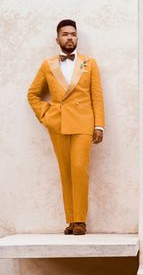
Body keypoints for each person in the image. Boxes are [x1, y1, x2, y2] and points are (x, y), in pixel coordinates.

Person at [27, 19, 105, 236]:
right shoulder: (47, 65)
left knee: (79, 169)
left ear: (77, 38)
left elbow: (97, 97)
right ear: (57, 39)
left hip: (83, 122)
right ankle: (70, 220)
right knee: (65, 171)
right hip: (58, 123)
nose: (69, 38)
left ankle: (80, 220)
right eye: (65, 34)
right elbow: (32, 94)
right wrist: (46, 114)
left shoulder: (90, 64)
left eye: (73, 34)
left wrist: (99, 125)